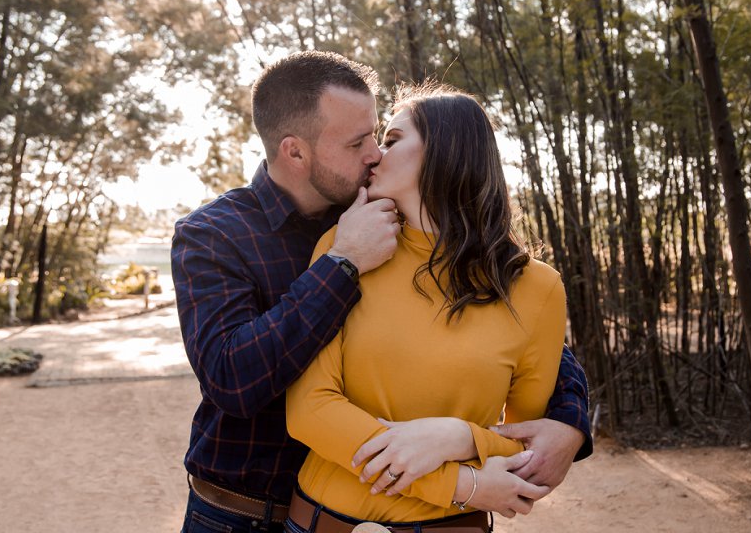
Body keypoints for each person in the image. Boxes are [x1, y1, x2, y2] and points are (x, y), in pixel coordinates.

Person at [172, 52, 590, 533]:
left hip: (385, 506)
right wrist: (341, 264)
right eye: (358, 142)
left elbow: (518, 337)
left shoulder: (381, 210)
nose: (373, 153)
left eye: (379, 135)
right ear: (295, 152)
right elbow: (232, 380)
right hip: (241, 510)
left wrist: (570, 423)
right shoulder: (215, 234)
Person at [283, 83, 567, 533]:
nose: (374, 155)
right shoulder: (345, 249)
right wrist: (458, 481)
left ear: (447, 151)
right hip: (319, 524)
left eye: (393, 140)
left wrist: (458, 436)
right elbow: (308, 412)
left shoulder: (538, 289)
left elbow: (529, 448)